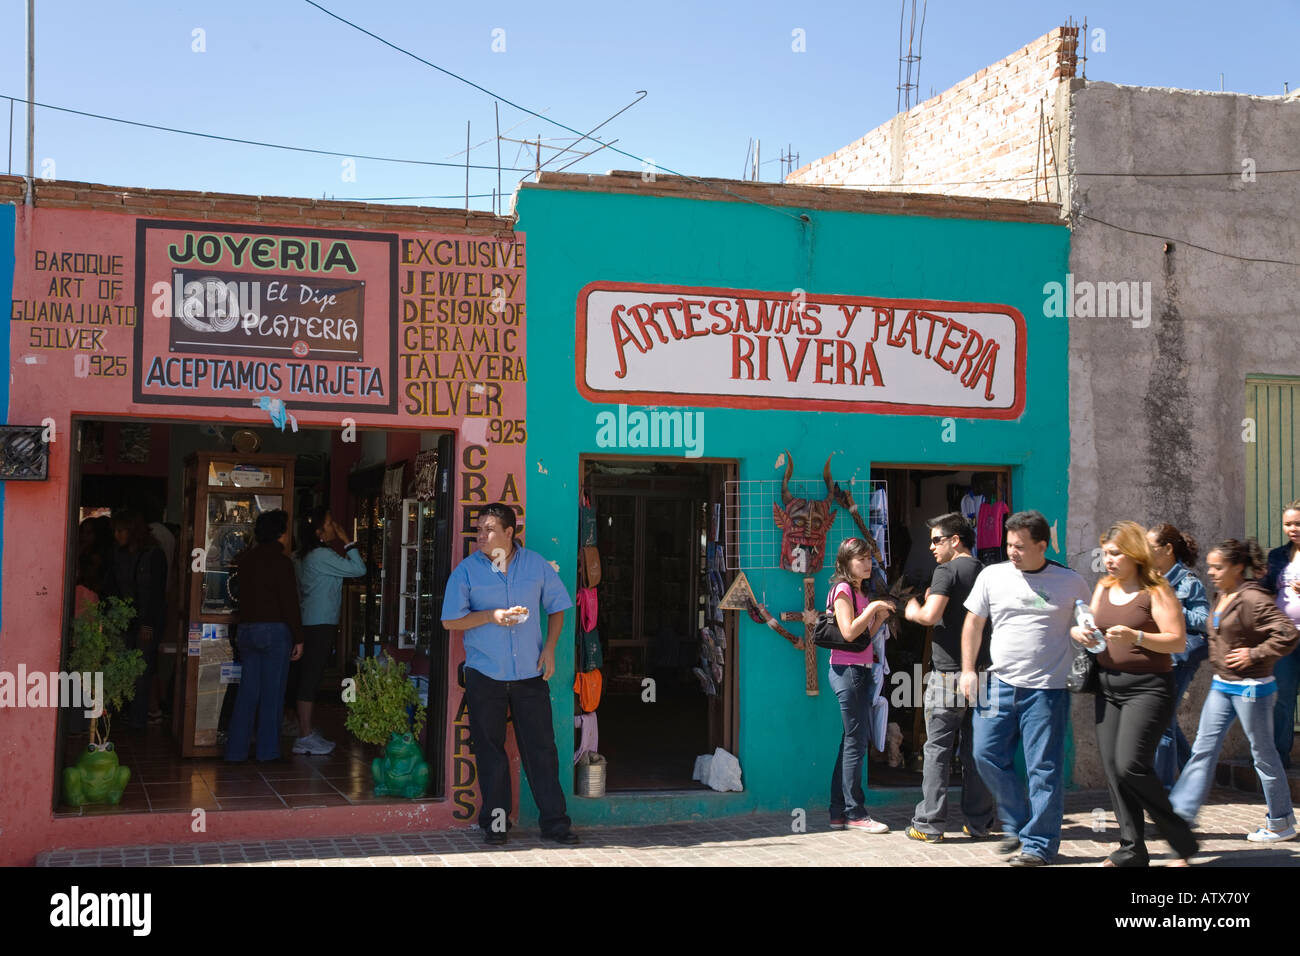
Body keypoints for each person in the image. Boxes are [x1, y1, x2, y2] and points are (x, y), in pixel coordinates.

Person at [440, 503, 579, 846]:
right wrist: (491, 616)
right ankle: (496, 823)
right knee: (490, 750)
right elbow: (450, 621)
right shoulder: (467, 571)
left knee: (541, 749)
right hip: (484, 674)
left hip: (529, 674)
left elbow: (558, 607)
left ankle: (556, 825)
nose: (480, 536)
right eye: (478, 530)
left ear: (509, 533)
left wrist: (550, 648)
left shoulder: (536, 565)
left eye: (488, 529)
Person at [959, 509, 1089, 866]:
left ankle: (1038, 846)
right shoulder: (992, 576)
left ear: (1042, 546)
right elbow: (973, 623)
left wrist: (1084, 633)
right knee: (984, 754)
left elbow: (1084, 624)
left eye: (1019, 546)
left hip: (1048, 690)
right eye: (1008, 544)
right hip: (999, 683)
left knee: (1044, 769)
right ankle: (1017, 817)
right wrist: (968, 670)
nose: (1011, 551)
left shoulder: (1072, 581)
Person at [1073, 521, 1196, 867]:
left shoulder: (1156, 591)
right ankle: (1131, 849)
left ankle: (1180, 839)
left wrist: (1138, 637)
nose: (1108, 559)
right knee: (1114, 769)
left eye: (1115, 553)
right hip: (1108, 686)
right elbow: (1093, 629)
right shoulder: (1103, 586)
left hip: (1149, 688)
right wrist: (1080, 633)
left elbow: (1177, 640)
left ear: (1134, 553)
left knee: (1131, 765)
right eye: (1105, 553)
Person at [1169, 539, 1299, 842]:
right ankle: (1180, 815)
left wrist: (1254, 654)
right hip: (1223, 684)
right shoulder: (1224, 594)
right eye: (1211, 566)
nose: (1211, 572)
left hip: (1252, 688)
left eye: (1218, 567)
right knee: (1203, 750)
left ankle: (1280, 821)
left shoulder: (1253, 597)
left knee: (1263, 755)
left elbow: (1287, 632)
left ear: (1238, 568)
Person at [903, 513, 996, 843]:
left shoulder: (946, 571)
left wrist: (912, 607)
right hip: (984, 674)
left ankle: (929, 824)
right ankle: (980, 822)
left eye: (936, 540)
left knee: (938, 751)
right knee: (977, 751)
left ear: (955, 540)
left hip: (948, 677)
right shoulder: (985, 572)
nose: (931, 546)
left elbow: (930, 616)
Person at [824, 537, 897, 833]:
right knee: (856, 742)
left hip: (860, 669)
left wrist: (878, 617)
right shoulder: (842, 590)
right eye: (860, 559)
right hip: (848, 671)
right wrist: (873, 608)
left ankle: (838, 812)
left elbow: (864, 636)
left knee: (850, 743)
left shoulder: (859, 592)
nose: (867, 564)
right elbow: (848, 631)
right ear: (845, 563)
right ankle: (855, 813)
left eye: (869, 559)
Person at [224, 510, 303, 764]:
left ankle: (235, 751)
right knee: (272, 694)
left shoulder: (245, 559)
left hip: (247, 630)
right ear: (280, 533)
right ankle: (267, 752)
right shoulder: (282, 562)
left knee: (247, 693)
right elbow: (290, 603)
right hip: (274, 632)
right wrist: (298, 637)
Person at [292, 508, 365, 755]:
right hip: (320, 622)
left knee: (307, 676)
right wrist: (348, 541)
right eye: (330, 523)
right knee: (311, 678)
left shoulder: (303, 555)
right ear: (320, 533)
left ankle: (304, 728)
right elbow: (359, 569)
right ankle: (304, 736)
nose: (335, 526)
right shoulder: (321, 555)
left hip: (308, 620)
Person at [1147, 523, 1210, 787]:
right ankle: (1194, 776)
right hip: (1156, 656)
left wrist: (1171, 609)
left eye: (1149, 548)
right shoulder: (1149, 579)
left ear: (1167, 549)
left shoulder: (1187, 582)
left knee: (1162, 721)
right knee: (1166, 718)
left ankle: (1164, 791)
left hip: (1180, 658)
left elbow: (1204, 619)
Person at [104, 509, 167, 731]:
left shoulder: (153, 554)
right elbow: (111, 587)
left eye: (121, 531)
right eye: (116, 531)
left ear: (133, 531)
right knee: (119, 668)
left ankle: (137, 721)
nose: (117, 535)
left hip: (144, 620)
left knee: (142, 672)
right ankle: (116, 719)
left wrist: (147, 623)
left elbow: (156, 593)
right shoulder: (117, 553)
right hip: (123, 619)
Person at [1259, 501, 1300, 770]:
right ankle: (1279, 761)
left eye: (1297, 523)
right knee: (1283, 697)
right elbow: (1263, 590)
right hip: (1285, 637)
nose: (1292, 528)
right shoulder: (1276, 556)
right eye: (1288, 524)